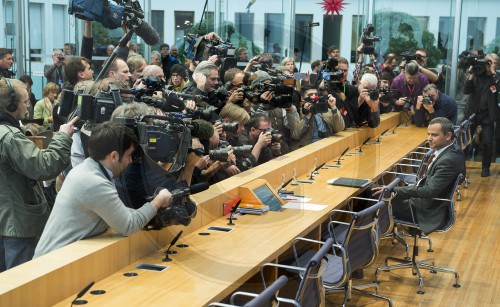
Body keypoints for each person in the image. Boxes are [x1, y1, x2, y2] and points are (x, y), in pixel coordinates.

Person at [33, 122, 173, 258]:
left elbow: (118, 212)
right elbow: (129, 225)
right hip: (52, 265)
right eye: (129, 155)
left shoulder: (88, 169)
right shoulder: (94, 182)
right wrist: (158, 200)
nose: (130, 161)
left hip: (61, 257)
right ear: (114, 156)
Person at [0, 78, 77, 271]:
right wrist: (63, 136)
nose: (28, 106)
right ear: (10, 105)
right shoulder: (9, 137)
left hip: (6, 220)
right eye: (25, 101)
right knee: (20, 282)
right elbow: (45, 168)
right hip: (18, 225)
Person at [373, 117, 465, 235]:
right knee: (378, 190)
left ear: (448, 136)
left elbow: (428, 191)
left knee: (373, 194)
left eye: (434, 135)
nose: (429, 139)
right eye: (428, 134)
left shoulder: (449, 160)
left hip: (425, 210)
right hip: (427, 203)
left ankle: (365, 241)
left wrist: (393, 190)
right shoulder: (454, 150)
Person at [463, 53, 498, 177]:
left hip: (487, 115)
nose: (489, 65)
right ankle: (460, 166)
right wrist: (471, 76)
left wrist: (493, 72)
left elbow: (497, 87)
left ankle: (485, 168)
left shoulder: (495, 78)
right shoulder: (477, 75)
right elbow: (466, 91)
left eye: (492, 62)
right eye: (488, 62)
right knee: (466, 140)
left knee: (488, 141)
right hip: (472, 113)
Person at [290, 84, 345, 150]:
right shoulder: (298, 112)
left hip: (328, 144)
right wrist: (307, 115)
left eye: (316, 94)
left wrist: (333, 107)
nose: (314, 96)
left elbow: (340, 128)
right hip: (309, 148)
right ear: (302, 98)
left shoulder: (325, 110)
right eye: (310, 94)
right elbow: (296, 135)